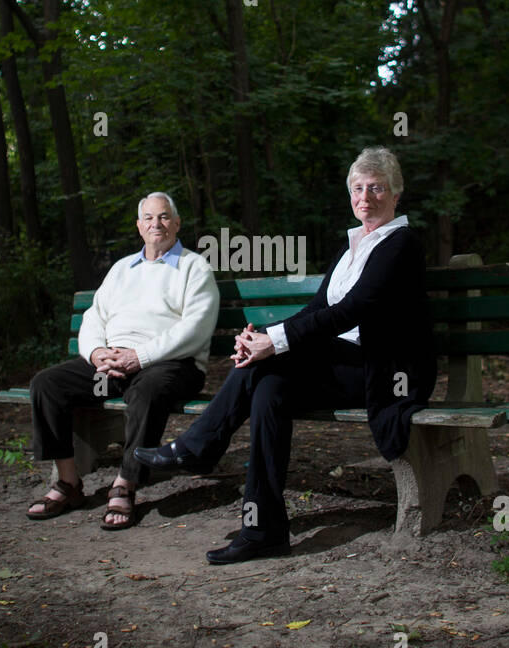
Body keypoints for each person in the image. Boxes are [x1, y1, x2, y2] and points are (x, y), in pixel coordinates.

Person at [135, 147, 435, 563]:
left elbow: (352, 310)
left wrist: (272, 343)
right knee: (268, 386)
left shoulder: (399, 244)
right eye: (358, 188)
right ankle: (264, 531)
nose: (365, 197)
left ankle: (198, 447)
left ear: (396, 194)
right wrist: (263, 336)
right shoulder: (352, 248)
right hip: (341, 364)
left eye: (377, 188)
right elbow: (317, 310)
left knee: (269, 363)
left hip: (382, 370)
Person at [26, 192, 219, 529]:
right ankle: (69, 483)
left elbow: (195, 329)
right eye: (148, 218)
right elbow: (94, 317)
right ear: (139, 226)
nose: (155, 224)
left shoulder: (194, 266)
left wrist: (138, 357)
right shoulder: (121, 269)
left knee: (146, 390)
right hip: (112, 365)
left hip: (173, 364)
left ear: (176, 223)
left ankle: (125, 484)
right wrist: (97, 353)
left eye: (163, 217)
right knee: (47, 384)